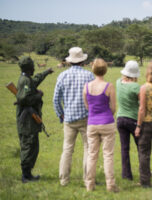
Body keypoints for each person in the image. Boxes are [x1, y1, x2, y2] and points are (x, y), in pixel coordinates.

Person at [53, 47, 94, 186]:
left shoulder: (62, 76)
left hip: (69, 118)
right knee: (88, 149)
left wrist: (61, 115)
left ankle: (64, 180)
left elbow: (55, 99)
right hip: (86, 118)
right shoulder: (89, 76)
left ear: (69, 61)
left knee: (67, 149)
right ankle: (87, 179)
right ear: (83, 60)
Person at [83, 58, 119, 192]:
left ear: (93, 69)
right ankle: (110, 185)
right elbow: (113, 107)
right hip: (107, 122)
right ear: (105, 70)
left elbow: (87, 106)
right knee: (108, 155)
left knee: (92, 155)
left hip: (92, 123)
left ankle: (89, 185)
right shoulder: (109, 86)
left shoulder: (86, 86)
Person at [16, 56, 53, 183]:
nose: (34, 69)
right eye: (32, 67)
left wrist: (46, 72)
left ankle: (28, 174)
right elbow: (24, 99)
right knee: (29, 146)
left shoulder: (26, 79)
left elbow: (35, 81)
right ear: (28, 68)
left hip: (29, 120)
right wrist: (39, 95)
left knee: (33, 146)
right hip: (27, 120)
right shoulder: (25, 81)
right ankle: (25, 176)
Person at [116, 60, 140, 180]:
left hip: (120, 119)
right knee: (141, 147)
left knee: (124, 148)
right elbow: (141, 104)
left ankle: (126, 175)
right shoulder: (136, 87)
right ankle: (144, 172)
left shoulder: (118, 82)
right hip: (133, 120)